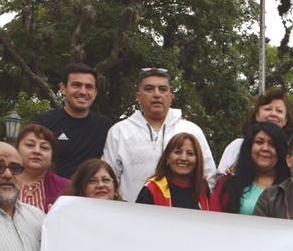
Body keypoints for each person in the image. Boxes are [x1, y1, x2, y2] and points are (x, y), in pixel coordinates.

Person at [103, 68, 216, 202]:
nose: (157, 94)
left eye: (162, 89)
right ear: (138, 96)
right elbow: (108, 178)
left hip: (182, 212)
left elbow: (208, 177)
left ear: (170, 97)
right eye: (149, 89)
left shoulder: (192, 130)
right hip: (130, 212)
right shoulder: (119, 131)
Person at [34, 63, 113, 178]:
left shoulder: (105, 126)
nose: (83, 92)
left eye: (89, 87)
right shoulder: (44, 122)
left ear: (95, 93)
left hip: (90, 189)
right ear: (63, 89)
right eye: (76, 85)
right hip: (52, 188)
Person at [210, 122, 290, 214]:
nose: (265, 148)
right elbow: (213, 219)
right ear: (249, 147)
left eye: (272, 144)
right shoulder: (228, 184)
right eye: (259, 142)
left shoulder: (292, 186)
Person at [216, 88, 293, 174]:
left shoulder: (292, 150)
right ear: (257, 115)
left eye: (279, 111)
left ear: (285, 120)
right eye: (268, 109)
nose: (273, 114)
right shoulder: (238, 146)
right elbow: (221, 177)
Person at [136, 133, 209, 209]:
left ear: (197, 159)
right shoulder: (152, 189)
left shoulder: (202, 188)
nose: (183, 158)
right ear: (167, 157)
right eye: (177, 152)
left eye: (190, 154)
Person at [11, 123, 71, 213]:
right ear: (16, 149)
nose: (37, 151)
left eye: (44, 147)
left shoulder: (67, 188)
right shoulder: (1, 181)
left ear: (52, 156)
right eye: (30, 145)